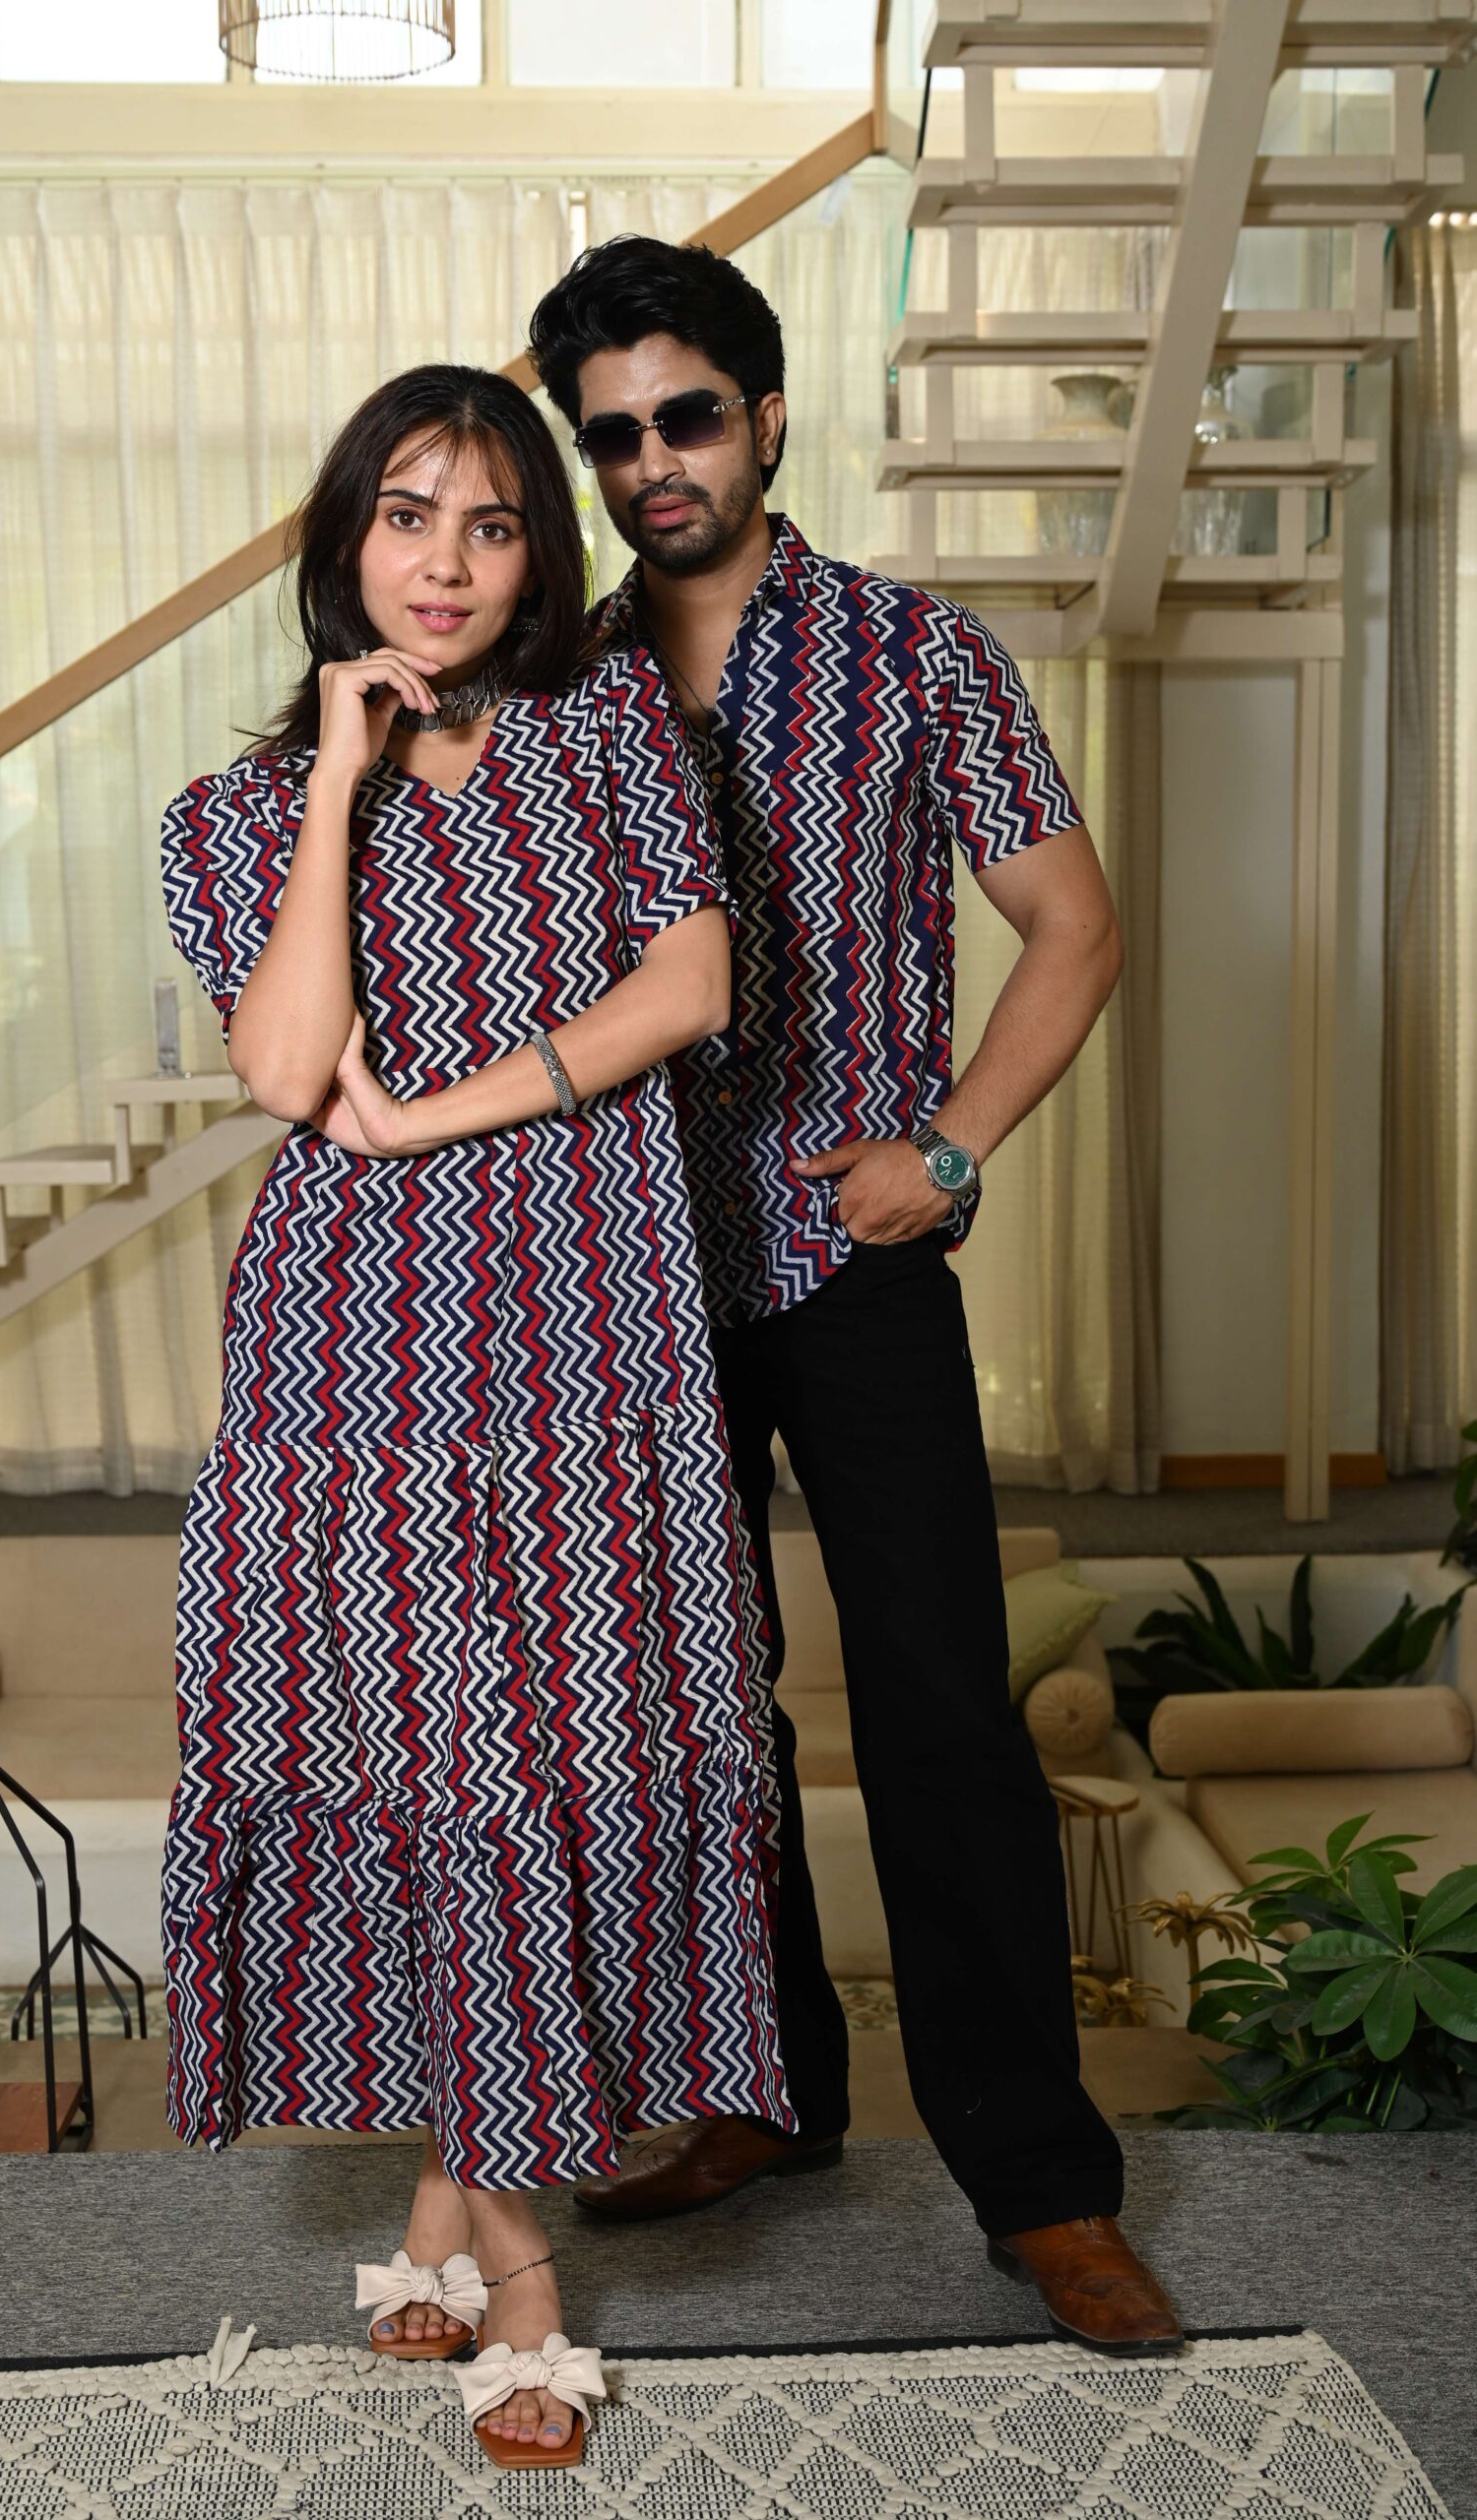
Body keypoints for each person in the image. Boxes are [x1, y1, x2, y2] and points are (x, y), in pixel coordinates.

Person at [526, 239, 1181, 2353]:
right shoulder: (555, 682)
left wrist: (951, 1147)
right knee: (700, 1709)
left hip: (854, 1255)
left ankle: (1045, 2182)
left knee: (938, 1709)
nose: (650, 461)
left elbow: (1074, 926)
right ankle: (768, 2096)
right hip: (630, 1274)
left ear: (768, 416)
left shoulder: (918, 653)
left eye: (685, 416)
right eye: (610, 435)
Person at [158, 362, 793, 2467]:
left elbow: (690, 987)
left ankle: (441, 2209)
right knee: (430, 1756)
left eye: (495, 524)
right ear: (345, 536)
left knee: (542, 1755)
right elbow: (284, 1067)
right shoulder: (238, 813)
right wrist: (338, 783)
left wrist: (443, 1110)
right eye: (409, 515)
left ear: (538, 559)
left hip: (595, 1325)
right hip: (356, 1352)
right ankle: (522, 2277)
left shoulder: (610, 736)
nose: (447, 563)